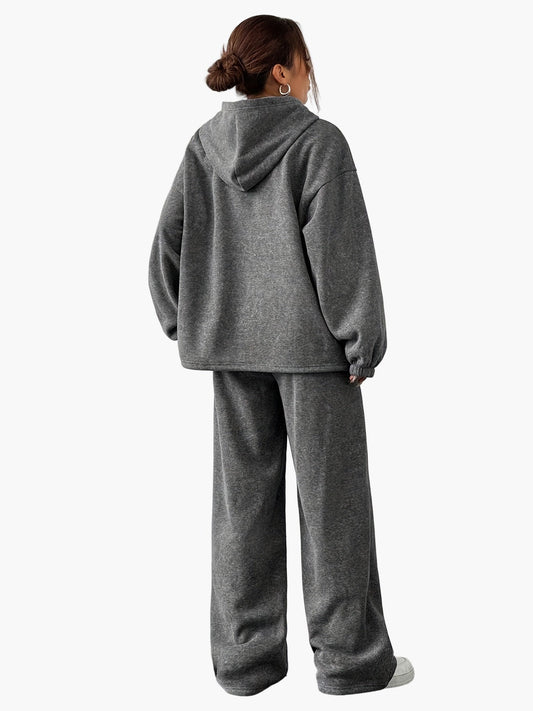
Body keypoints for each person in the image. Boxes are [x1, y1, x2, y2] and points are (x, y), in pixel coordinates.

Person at [148, 13, 414, 697]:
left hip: (232, 352)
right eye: (304, 59)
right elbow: (340, 249)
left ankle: (245, 664)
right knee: (334, 509)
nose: (309, 69)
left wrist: (183, 318)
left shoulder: (205, 145)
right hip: (314, 356)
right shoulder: (317, 142)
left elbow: (167, 244)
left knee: (241, 509)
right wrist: (361, 337)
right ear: (281, 72)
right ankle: (351, 662)